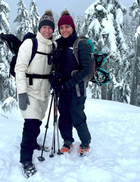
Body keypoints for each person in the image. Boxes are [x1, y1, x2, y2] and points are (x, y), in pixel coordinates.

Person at [15, 10, 55, 178]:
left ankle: (32, 143)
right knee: (30, 124)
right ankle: (25, 160)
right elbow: (20, 69)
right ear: (39, 28)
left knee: (38, 121)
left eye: (50, 28)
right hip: (30, 90)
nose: (47, 31)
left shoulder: (53, 46)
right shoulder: (30, 44)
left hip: (44, 91)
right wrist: (22, 93)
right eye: (44, 27)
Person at [50, 10, 92, 156]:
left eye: (67, 27)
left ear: (72, 27)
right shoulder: (58, 46)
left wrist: (66, 84)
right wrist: (54, 78)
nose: (64, 30)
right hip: (62, 90)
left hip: (77, 90)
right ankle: (68, 141)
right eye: (61, 28)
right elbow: (57, 67)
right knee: (64, 117)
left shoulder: (80, 44)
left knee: (77, 116)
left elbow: (85, 70)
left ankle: (85, 142)